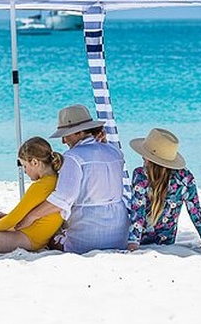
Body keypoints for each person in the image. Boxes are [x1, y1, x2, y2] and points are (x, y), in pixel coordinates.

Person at [14, 104, 129, 253]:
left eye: (66, 134)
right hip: (120, 237)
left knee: (47, 238)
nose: (63, 141)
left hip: (87, 240)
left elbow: (62, 199)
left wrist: (30, 217)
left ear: (80, 132)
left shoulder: (73, 157)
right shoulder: (114, 152)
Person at [127, 128, 201, 253]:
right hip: (167, 240)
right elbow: (196, 212)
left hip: (141, 240)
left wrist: (133, 244)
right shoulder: (185, 177)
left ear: (148, 158)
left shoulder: (140, 175)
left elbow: (138, 212)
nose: (142, 157)